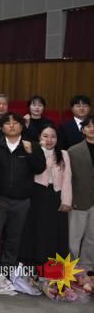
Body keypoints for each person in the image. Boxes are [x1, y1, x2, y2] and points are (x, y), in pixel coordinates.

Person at [0, 113, 45, 269]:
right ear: (1, 127)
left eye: (15, 122)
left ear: (22, 126)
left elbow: (40, 168)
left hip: (22, 200)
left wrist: (30, 152)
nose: (11, 125)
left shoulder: (32, 145)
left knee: (14, 237)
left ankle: (8, 267)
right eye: (7, 123)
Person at [19, 125, 73, 265]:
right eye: (45, 136)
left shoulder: (63, 154)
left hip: (56, 195)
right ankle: (37, 266)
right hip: (37, 195)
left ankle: (55, 267)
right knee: (38, 231)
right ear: (39, 137)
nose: (49, 140)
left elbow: (67, 178)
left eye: (53, 136)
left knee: (56, 233)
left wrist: (66, 200)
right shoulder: (33, 152)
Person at [68, 116, 94, 272]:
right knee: (74, 237)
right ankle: (70, 267)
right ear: (82, 130)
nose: (92, 128)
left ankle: (87, 268)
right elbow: (68, 178)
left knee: (92, 237)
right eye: (88, 126)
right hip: (79, 198)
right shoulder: (73, 151)